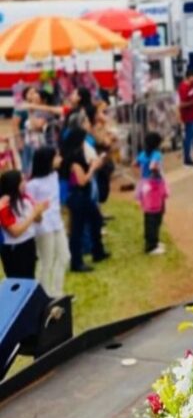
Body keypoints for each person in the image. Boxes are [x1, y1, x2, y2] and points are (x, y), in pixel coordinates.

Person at [60, 127, 109, 272]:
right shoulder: (74, 161)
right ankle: (77, 261)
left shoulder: (72, 157)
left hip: (80, 196)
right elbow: (82, 181)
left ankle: (97, 251)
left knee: (95, 221)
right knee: (78, 229)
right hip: (78, 196)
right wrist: (93, 167)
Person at [26, 147, 69, 297]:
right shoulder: (33, 185)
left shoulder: (55, 176)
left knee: (64, 256)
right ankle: (43, 294)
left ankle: (57, 291)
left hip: (57, 223)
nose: (60, 159)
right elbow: (31, 207)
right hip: (43, 227)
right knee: (46, 262)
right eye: (56, 156)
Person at [0, 169, 47, 279]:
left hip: (29, 243)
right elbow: (15, 232)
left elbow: (38, 219)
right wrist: (33, 215)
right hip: (14, 248)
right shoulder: (5, 205)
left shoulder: (25, 199)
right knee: (17, 282)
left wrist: (38, 212)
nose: (25, 183)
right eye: (22, 181)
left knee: (30, 278)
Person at [136, 161, 169, 255]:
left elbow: (138, 194)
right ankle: (151, 247)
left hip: (148, 209)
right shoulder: (160, 183)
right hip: (156, 209)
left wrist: (142, 201)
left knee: (149, 226)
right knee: (154, 227)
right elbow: (166, 193)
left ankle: (153, 243)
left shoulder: (144, 182)